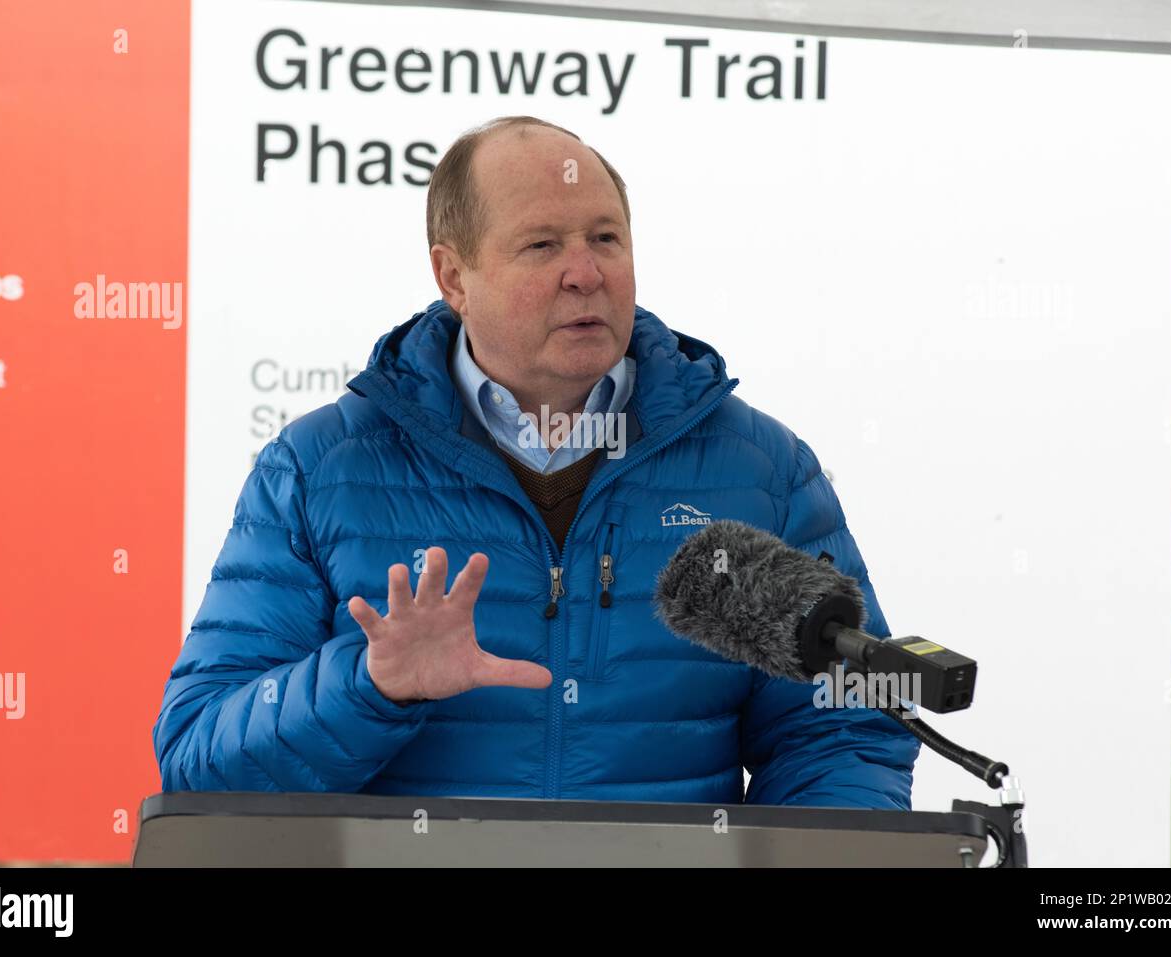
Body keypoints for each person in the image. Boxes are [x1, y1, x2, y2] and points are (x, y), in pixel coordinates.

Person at [153, 115, 920, 807]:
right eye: (543, 244)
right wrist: (369, 687)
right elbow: (200, 759)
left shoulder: (761, 470)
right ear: (454, 276)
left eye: (606, 239)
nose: (586, 272)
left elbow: (842, 731)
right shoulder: (319, 470)